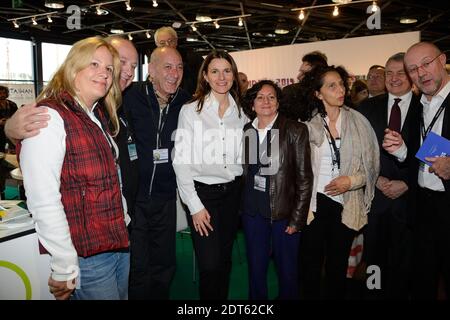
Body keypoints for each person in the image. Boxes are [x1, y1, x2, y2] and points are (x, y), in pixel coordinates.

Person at [18, 36, 129, 300]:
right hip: (87, 258)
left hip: (116, 245)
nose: (103, 72)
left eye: (109, 68)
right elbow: (43, 198)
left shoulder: (96, 114)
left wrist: (124, 219)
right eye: (94, 64)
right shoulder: (50, 116)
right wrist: (65, 265)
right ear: (73, 68)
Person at [299, 65, 379, 299]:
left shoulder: (359, 122)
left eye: (341, 84)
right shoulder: (306, 124)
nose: (340, 90)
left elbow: (372, 168)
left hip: (346, 202)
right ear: (318, 93)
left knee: (338, 265)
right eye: (331, 86)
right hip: (313, 205)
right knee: (310, 265)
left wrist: (351, 181)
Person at [173, 50, 247, 300]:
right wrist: (194, 206)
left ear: (234, 76)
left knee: (224, 261)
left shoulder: (242, 113)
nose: (221, 77)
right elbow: (181, 161)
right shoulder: (191, 111)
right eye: (214, 71)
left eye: (227, 71)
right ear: (205, 76)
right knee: (209, 265)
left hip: (233, 194)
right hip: (203, 195)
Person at [383, 42, 450, 299]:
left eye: (426, 63)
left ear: (442, 60)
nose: (420, 73)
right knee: (422, 278)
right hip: (421, 207)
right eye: (413, 69)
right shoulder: (420, 104)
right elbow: (419, 157)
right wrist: (401, 149)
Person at [124, 46, 191, 300]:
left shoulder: (186, 102)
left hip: (166, 197)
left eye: (180, 67)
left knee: (164, 263)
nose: (175, 73)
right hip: (136, 197)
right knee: (138, 265)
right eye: (167, 66)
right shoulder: (130, 96)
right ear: (151, 70)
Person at [241, 79, 313, 300]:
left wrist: (297, 220)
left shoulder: (294, 130)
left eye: (271, 97)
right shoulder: (247, 130)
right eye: (260, 97)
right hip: (253, 213)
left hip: (283, 214)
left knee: (287, 273)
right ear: (252, 104)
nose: (266, 101)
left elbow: (304, 179)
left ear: (278, 103)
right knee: (255, 270)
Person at [359, 52, 420, 299]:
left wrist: (407, 183)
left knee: (407, 264)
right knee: (374, 260)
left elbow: (432, 155)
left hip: (411, 202)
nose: (394, 78)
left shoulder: (426, 107)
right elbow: (357, 152)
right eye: (389, 73)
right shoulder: (365, 108)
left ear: (411, 75)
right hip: (375, 200)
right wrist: (375, 179)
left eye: (401, 72)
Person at [154, 26, 204, 96]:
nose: (167, 45)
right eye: (162, 43)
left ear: (176, 41)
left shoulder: (194, 59)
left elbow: (205, 79)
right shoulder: (155, 64)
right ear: (157, 45)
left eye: (170, 41)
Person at [281, 51, 328, 121]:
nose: (298, 76)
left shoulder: (290, 91)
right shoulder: (291, 92)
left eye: (304, 73)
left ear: (315, 76)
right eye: (300, 71)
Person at [0, 85, 18, 150]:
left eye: (4, 93)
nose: (2, 95)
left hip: (11, 130)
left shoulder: (12, 104)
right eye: (0, 93)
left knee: (13, 150)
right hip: (0, 132)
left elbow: (17, 117)